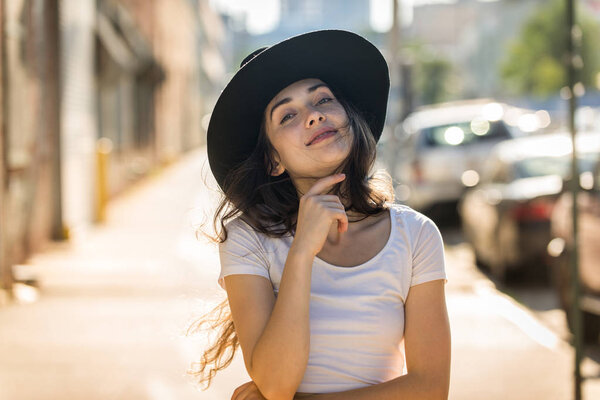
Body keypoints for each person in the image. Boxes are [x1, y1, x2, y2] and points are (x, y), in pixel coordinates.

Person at [191, 30, 451, 399]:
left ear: (347, 115)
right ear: (273, 160)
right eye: (288, 116)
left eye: (323, 99)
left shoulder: (415, 234)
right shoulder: (247, 239)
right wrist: (301, 252)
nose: (314, 116)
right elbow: (277, 383)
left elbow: (431, 388)